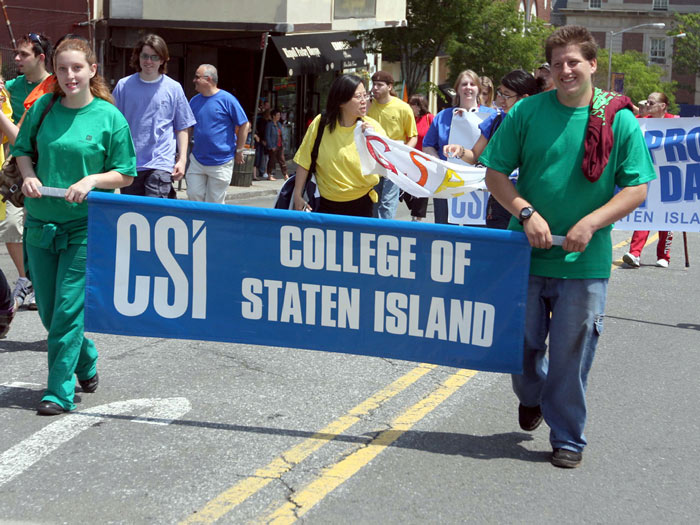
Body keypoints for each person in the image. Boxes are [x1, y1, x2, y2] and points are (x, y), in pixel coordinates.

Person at [480, 25, 655, 468]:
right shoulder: (526, 113)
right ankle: (533, 395)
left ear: (592, 65)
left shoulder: (620, 119)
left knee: (571, 357)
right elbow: (495, 175)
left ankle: (568, 437)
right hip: (527, 257)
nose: (566, 70)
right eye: (557, 64)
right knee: (520, 349)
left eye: (574, 61)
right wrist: (525, 213)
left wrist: (592, 223)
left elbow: (637, 188)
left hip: (585, 261)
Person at [15, 38, 137, 415]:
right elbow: (21, 150)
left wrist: (92, 181)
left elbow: (127, 174)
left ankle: (58, 391)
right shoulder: (44, 109)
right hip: (40, 225)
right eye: (63, 68)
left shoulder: (109, 117)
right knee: (51, 314)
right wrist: (29, 177)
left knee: (68, 310)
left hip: (85, 229)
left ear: (92, 71)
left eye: (77, 68)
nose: (70, 76)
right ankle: (85, 360)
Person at [444, 70, 543, 229]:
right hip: (502, 199)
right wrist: (460, 150)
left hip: (533, 199)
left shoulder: (540, 124)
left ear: (524, 98)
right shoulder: (496, 120)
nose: (500, 99)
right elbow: (475, 155)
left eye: (506, 95)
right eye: (499, 93)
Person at [2, 33, 55, 311]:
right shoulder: (11, 86)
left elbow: (18, 136)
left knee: (40, 230)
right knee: (11, 226)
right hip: (18, 170)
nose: (17, 59)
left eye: (23, 54)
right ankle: (26, 279)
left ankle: (40, 282)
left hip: (46, 168)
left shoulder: (52, 87)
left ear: (41, 58)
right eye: (16, 54)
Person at [112, 34, 195, 198]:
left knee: (155, 212)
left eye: (154, 57)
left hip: (161, 163)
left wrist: (182, 159)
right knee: (133, 215)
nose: (148, 61)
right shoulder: (123, 86)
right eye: (145, 56)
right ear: (138, 57)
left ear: (163, 59)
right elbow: (112, 125)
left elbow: (182, 126)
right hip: (131, 164)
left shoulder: (173, 88)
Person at [293, 74, 386, 217]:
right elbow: (304, 161)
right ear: (341, 101)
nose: (364, 101)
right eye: (358, 97)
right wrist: (297, 195)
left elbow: (385, 166)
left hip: (362, 205)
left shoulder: (372, 128)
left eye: (365, 96)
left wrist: (372, 139)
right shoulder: (321, 123)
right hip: (324, 205)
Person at [422, 70, 496, 223]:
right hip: (448, 181)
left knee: (478, 232)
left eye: (472, 84)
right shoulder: (443, 116)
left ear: (478, 89)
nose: (468, 88)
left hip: (479, 183)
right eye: (464, 84)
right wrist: (439, 163)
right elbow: (428, 145)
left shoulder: (492, 115)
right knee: (445, 230)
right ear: (457, 89)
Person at [623, 91, 678, 268]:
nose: (647, 105)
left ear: (663, 106)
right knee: (644, 214)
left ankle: (664, 255)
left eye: (651, 102)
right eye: (647, 102)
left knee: (666, 216)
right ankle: (635, 253)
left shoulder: (675, 121)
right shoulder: (641, 120)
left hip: (669, 174)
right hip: (647, 173)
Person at [186, 64, 249, 203]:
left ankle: (212, 225)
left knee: (214, 202)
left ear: (208, 79)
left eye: (197, 77)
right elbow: (188, 127)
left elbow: (244, 124)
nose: (194, 80)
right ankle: (199, 223)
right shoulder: (194, 101)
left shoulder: (227, 99)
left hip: (221, 161)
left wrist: (239, 149)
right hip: (198, 159)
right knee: (193, 195)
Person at [367, 71, 417, 219]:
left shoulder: (403, 107)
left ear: (389, 87)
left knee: (387, 202)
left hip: (393, 161)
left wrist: (403, 156)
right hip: (371, 160)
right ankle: (375, 232)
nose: (375, 88)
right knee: (374, 199)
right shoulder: (368, 106)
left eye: (379, 85)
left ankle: (384, 233)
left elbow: (413, 136)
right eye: (373, 84)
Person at [403, 94, 434, 221]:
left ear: (420, 106)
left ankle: (417, 216)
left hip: (423, 159)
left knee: (421, 188)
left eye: (414, 104)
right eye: (410, 104)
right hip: (408, 158)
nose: (411, 107)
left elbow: (435, 135)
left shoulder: (429, 118)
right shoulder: (408, 119)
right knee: (405, 188)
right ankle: (413, 208)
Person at [265, 108, 288, 181]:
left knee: (282, 160)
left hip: (279, 144)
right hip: (273, 145)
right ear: (273, 116)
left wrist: (284, 143)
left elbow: (282, 134)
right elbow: (267, 136)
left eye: (279, 115)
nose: (279, 116)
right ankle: (269, 174)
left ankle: (285, 174)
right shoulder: (269, 125)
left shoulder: (279, 124)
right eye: (277, 115)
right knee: (272, 161)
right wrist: (271, 146)